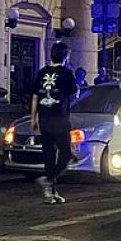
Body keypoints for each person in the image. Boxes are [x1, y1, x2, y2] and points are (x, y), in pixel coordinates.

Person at [31, 42, 79, 204]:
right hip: (59, 118)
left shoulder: (42, 72)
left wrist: (33, 117)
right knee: (66, 154)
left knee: (49, 155)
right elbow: (75, 93)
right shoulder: (66, 73)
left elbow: (35, 96)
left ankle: (51, 192)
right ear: (65, 56)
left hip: (44, 118)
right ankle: (48, 178)